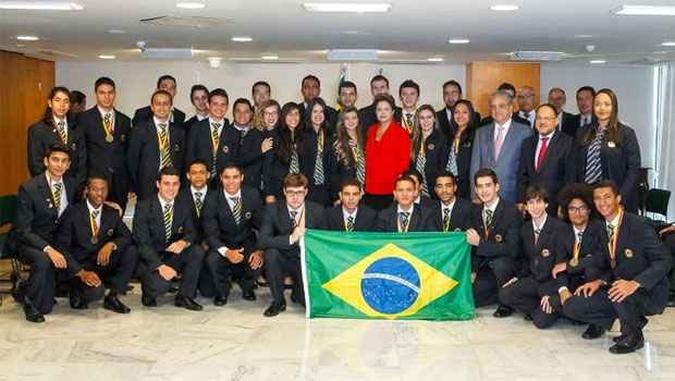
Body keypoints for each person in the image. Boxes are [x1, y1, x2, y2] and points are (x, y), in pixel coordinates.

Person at [563, 181, 671, 354]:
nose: (602, 202)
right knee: (571, 305)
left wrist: (635, 283)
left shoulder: (637, 224)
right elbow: (609, 261)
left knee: (618, 292)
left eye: (607, 197)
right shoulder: (603, 228)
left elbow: (664, 260)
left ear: (618, 199)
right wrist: (599, 281)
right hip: (619, 287)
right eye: (597, 198)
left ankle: (633, 336)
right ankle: (628, 319)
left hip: (649, 291)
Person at [13, 144, 77, 322]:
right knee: (43, 260)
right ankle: (29, 303)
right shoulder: (30, 188)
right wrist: (48, 249)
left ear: (69, 164)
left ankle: (24, 288)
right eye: (55, 160)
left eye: (64, 161)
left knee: (47, 306)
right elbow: (23, 230)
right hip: (28, 242)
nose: (59, 165)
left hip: (55, 241)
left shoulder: (71, 184)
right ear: (46, 162)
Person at [55, 176, 137, 313]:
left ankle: (112, 296)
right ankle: (75, 290)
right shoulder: (72, 213)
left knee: (131, 251)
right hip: (80, 267)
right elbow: (61, 247)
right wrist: (80, 272)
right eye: (95, 189)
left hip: (100, 263)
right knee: (95, 293)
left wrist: (112, 244)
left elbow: (127, 236)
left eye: (103, 189)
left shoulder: (111, 213)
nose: (99, 193)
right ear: (87, 190)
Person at [131, 167, 204, 311]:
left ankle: (184, 296)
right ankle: (149, 293)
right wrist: (160, 266)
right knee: (161, 286)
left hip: (171, 255)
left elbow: (191, 232)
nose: (171, 188)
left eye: (175, 184)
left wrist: (184, 242)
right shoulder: (144, 207)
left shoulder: (184, 205)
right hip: (151, 259)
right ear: (158, 184)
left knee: (196, 251)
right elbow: (142, 243)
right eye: (166, 183)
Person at [258, 173, 326, 317]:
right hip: (282, 258)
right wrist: (290, 238)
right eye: (291, 193)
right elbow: (263, 240)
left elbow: (323, 242)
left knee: (302, 300)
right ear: (284, 192)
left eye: (299, 192)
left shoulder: (318, 210)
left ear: (306, 192)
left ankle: (298, 293)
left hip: (305, 261)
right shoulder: (272, 209)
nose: (295, 197)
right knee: (271, 254)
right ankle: (278, 301)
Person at [499, 186, 565, 328]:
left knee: (540, 322)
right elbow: (526, 260)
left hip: (550, 283)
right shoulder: (525, 228)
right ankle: (540, 307)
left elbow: (561, 265)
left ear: (546, 204)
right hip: (534, 280)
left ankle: (553, 307)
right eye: (531, 203)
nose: (535, 207)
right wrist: (517, 278)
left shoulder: (559, 228)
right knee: (504, 294)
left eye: (539, 202)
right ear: (526, 206)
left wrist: (552, 294)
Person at [551, 183, 608, 339]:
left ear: (589, 209)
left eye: (582, 208)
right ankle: (579, 312)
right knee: (555, 303)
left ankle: (597, 323)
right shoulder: (562, 232)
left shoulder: (599, 229)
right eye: (572, 209)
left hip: (596, 282)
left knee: (592, 269)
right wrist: (563, 291)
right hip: (574, 282)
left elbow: (601, 259)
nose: (577, 213)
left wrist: (570, 265)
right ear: (567, 211)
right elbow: (558, 267)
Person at [203, 164, 264, 305]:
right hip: (222, 243)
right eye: (226, 177)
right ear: (221, 179)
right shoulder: (212, 198)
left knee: (258, 262)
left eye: (235, 177)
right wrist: (227, 252)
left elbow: (263, 226)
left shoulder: (253, 194)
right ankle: (222, 292)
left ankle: (247, 287)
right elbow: (210, 234)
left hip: (246, 241)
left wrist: (260, 250)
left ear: (242, 178)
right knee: (212, 260)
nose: (231, 181)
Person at [573, 88, 641, 213]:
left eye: (606, 104)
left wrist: (620, 196)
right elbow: (574, 166)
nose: (602, 108)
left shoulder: (626, 133)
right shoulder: (583, 132)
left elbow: (634, 170)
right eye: (597, 104)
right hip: (587, 196)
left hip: (613, 198)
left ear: (614, 107)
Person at [466, 168, 522, 318]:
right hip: (485, 268)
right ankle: (498, 293)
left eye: (488, 185)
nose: (484, 190)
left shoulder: (511, 211)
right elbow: (471, 247)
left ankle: (507, 303)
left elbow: (512, 249)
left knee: (500, 264)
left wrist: (480, 244)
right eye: (480, 186)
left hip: (507, 266)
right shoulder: (475, 211)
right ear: (476, 190)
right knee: (470, 298)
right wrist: (473, 271)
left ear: (497, 187)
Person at [78, 77, 132, 208]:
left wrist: (130, 184)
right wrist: (83, 184)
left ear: (115, 94)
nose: (106, 96)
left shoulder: (125, 120)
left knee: (116, 222)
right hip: (95, 183)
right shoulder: (83, 119)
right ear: (95, 94)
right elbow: (80, 154)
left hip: (119, 183)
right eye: (102, 93)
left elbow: (129, 154)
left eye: (110, 92)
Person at [470, 90, 532, 204]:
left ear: (511, 108)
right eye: (493, 107)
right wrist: (475, 195)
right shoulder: (481, 132)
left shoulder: (525, 132)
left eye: (501, 106)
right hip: (484, 196)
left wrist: (523, 200)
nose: (496, 110)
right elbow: (475, 166)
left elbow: (528, 170)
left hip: (513, 197)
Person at [127, 90, 186, 200]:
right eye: (158, 104)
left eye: (165, 104)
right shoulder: (139, 130)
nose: (162, 107)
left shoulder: (179, 132)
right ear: (152, 107)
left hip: (172, 186)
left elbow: (182, 161)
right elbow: (132, 161)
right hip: (146, 187)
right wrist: (133, 186)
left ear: (171, 107)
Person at [518, 103, 574, 215]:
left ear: (556, 121)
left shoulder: (568, 143)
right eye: (539, 118)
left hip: (555, 207)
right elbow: (523, 175)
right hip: (531, 207)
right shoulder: (527, 143)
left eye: (547, 118)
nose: (542, 122)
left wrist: (564, 205)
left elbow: (570, 178)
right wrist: (521, 200)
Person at [27, 86, 86, 185]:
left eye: (66, 101)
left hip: (73, 188)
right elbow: (35, 164)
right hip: (47, 187)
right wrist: (50, 185)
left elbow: (82, 161)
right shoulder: (37, 130)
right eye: (57, 100)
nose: (62, 105)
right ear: (50, 103)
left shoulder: (77, 129)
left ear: (70, 105)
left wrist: (77, 185)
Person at [364, 94, 411, 210]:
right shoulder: (371, 130)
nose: (382, 112)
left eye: (386, 109)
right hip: (370, 188)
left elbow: (404, 164)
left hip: (390, 189)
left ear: (393, 112)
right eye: (379, 109)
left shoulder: (401, 133)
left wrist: (398, 189)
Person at [185, 88, 239, 185]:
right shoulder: (196, 128)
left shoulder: (234, 132)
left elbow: (234, 161)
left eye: (223, 104)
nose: (219, 107)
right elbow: (190, 158)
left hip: (225, 184)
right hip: (199, 182)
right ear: (208, 105)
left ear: (227, 107)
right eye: (215, 104)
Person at [263, 102, 303, 203]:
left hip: (300, 188)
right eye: (290, 114)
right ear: (283, 116)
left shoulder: (303, 136)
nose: (293, 117)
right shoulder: (275, 135)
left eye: (296, 114)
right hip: (279, 189)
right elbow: (267, 168)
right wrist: (269, 193)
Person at [301, 97, 336, 206]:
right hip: (307, 188)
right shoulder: (301, 135)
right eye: (315, 111)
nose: (318, 115)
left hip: (326, 188)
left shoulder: (330, 135)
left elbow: (333, 166)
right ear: (309, 113)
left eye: (321, 111)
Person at [410, 104, 446, 197]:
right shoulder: (413, 139)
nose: (426, 121)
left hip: (434, 192)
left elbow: (443, 168)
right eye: (422, 118)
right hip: (415, 191)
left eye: (429, 117)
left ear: (434, 119)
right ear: (418, 120)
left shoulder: (442, 139)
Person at [444, 99, 477, 199]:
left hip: (468, 187)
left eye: (465, 112)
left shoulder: (476, 135)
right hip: (451, 186)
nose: (460, 116)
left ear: (471, 114)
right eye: (457, 112)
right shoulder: (449, 136)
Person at [331, 106, 366, 198]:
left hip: (364, 190)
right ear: (342, 121)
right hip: (346, 192)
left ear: (358, 119)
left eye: (354, 118)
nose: (351, 121)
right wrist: (337, 195)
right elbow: (334, 172)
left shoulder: (365, 139)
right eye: (347, 118)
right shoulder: (337, 142)